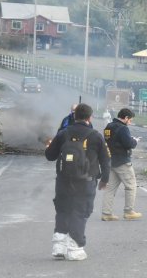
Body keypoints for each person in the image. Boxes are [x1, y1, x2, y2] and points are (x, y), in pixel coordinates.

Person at [45, 103, 110, 261]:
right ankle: (75, 248)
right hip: (86, 181)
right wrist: (105, 180)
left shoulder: (63, 133)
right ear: (89, 117)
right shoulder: (95, 135)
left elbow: (50, 155)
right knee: (79, 211)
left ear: (74, 116)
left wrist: (50, 146)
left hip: (63, 179)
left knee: (63, 209)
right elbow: (105, 160)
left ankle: (58, 246)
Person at [101, 108, 142, 221]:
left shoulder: (108, 127)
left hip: (111, 160)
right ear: (126, 118)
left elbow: (109, 141)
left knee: (110, 188)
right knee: (131, 185)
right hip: (123, 161)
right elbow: (128, 144)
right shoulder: (123, 128)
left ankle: (106, 213)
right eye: (130, 120)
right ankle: (129, 211)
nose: (130, 122)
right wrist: (135, 141)